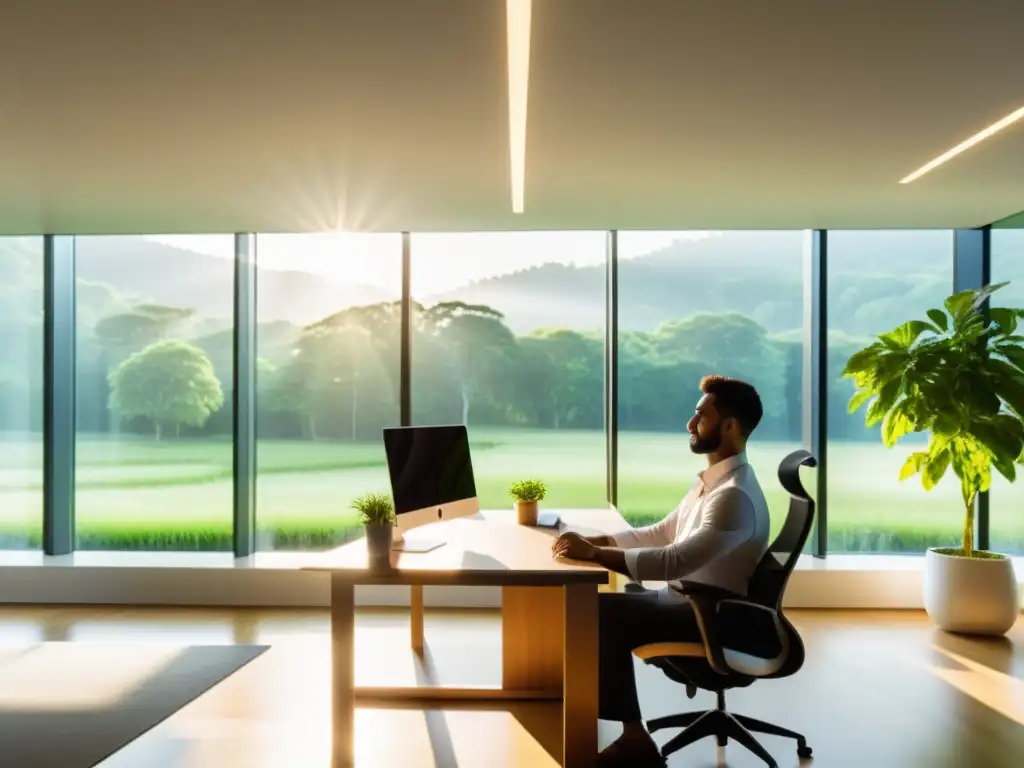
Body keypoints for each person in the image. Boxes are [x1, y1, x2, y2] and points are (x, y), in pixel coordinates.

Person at [552, 375, 771, 767]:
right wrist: (598, 541)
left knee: (598, 613)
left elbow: (674, 560)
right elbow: (661, 532)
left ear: (729, 426)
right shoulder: (713, 484)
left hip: (709, 616)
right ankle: (616, 727)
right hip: (690, 600)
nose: (691, 423)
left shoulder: (733, 496)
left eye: (701, 415)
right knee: (609, 609)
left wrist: (596, 556)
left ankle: (634, 741)